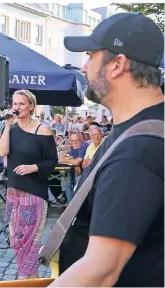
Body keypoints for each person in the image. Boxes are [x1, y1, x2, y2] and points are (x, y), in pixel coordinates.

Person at [49, 13, 164, 287]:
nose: (84, 66)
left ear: (117, 65)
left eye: (90, 55)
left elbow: (101, 271)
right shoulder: (144, 130)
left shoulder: (138, 150)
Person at [0, 90, 58, 279]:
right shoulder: (11, 129)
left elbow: (52, 161)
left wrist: (33, 167)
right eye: (15, 104)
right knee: (17, 242)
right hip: (13, 193)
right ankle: (33, 282)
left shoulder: (43, 130)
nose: (17, 108)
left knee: (30, 243)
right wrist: (7, 127)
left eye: (22, 104)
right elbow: (2, 152)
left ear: (31, 106)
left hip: (33, 193)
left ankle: (23, 281)